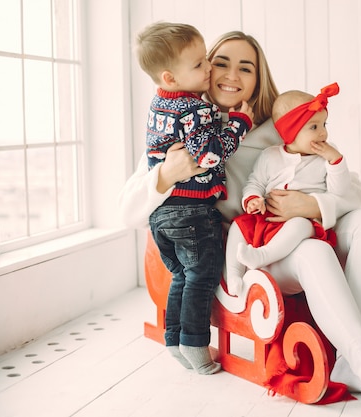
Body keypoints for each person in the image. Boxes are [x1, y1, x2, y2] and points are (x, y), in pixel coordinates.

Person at [120, 30, 361, 416]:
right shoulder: (183, 130)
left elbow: (352, 192)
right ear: (203, 68)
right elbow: (126, 212)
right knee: (311, 251)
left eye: (246, 68)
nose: (231, 75)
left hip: (296, 230)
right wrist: (165, 175)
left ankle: (353, 361)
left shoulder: (278, 131)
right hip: (246, 254)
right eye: (221, 62)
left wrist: (308, 205)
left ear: (259, 79)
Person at [135, 22, 254, 375]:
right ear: (171, 77)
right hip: (192, 211)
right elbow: (210, 155)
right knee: (201, 275)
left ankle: (174, 339)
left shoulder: (160, 103)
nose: (208, 70)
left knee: (183, 278)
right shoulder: (194, 108)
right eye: (201, 64)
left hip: (163, 215)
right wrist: (239, 125)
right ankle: (196, 344)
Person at [225, 83, 351, 296]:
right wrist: (253, 199)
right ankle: (234, 276)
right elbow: (255, 182)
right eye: (314, 127)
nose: (323, 133)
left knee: (300, 226)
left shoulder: (325, 159)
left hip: (304, 220)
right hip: (268, 219)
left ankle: (262, 256)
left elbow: (340, 190)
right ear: (290, 133)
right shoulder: (270, 156)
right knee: (238, 226)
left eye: (324, 124)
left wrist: (335, 160)